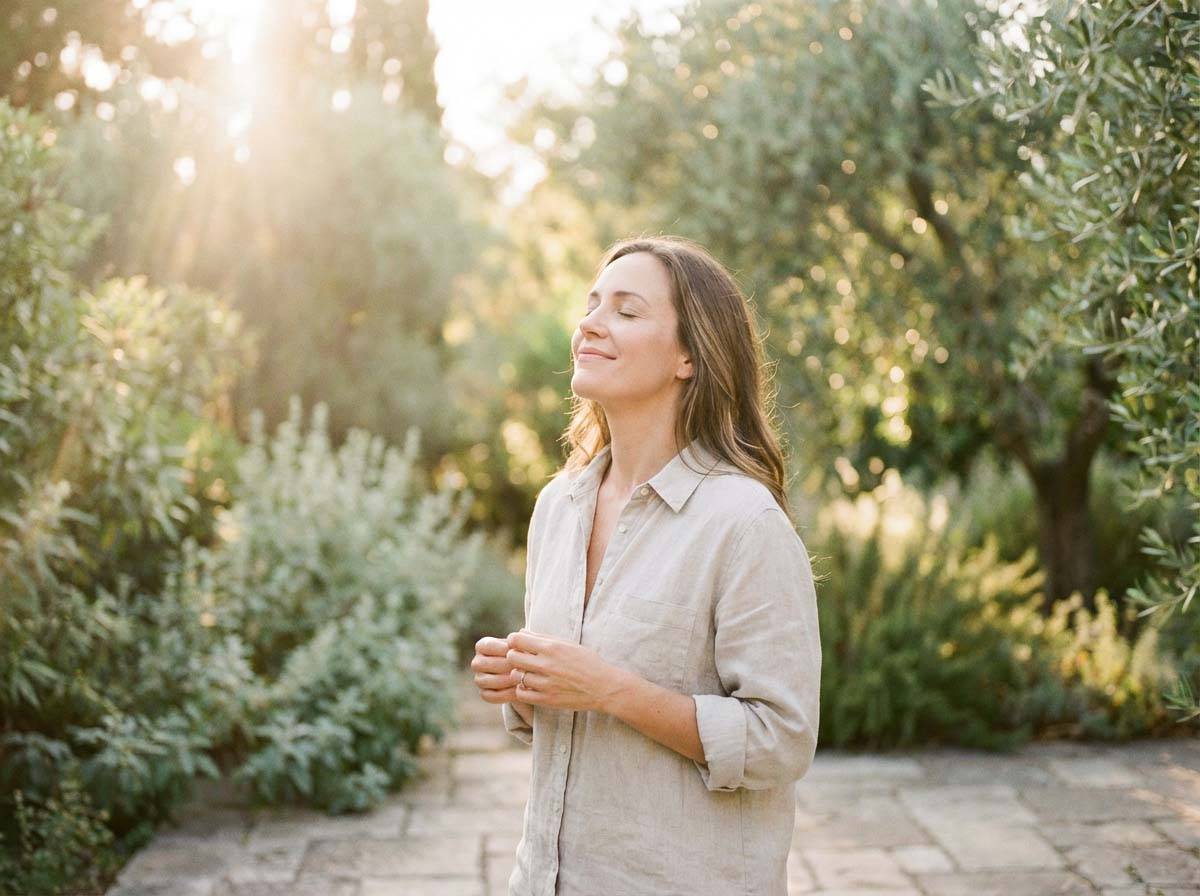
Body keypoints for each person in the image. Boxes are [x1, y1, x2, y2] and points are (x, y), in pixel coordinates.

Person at [471, 235, 821, 896]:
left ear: (690, 355)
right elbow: (562, 716)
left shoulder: (744, 524)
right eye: (592, 305)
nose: (591, 324)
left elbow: (781, 741)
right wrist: (522, 684)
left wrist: (610, 690)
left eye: (626, 312)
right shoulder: (559, 507)